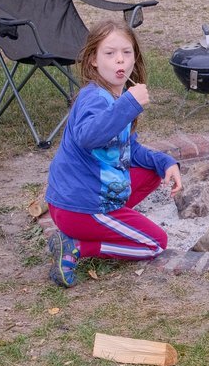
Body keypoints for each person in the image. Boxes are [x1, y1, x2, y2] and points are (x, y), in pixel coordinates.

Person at [44, 20, 182, 287]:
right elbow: (88, 136)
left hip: (76, 201)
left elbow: (128, 149)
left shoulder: (114, 97)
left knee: (153, 172)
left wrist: (165, 163)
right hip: (80, 208)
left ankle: (106, 221)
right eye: (109, 53)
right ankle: (76, 247)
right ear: (93, 60)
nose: (120, 60)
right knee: (154, 243)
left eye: (126, 52)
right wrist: (130, 104)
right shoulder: (96, 98)